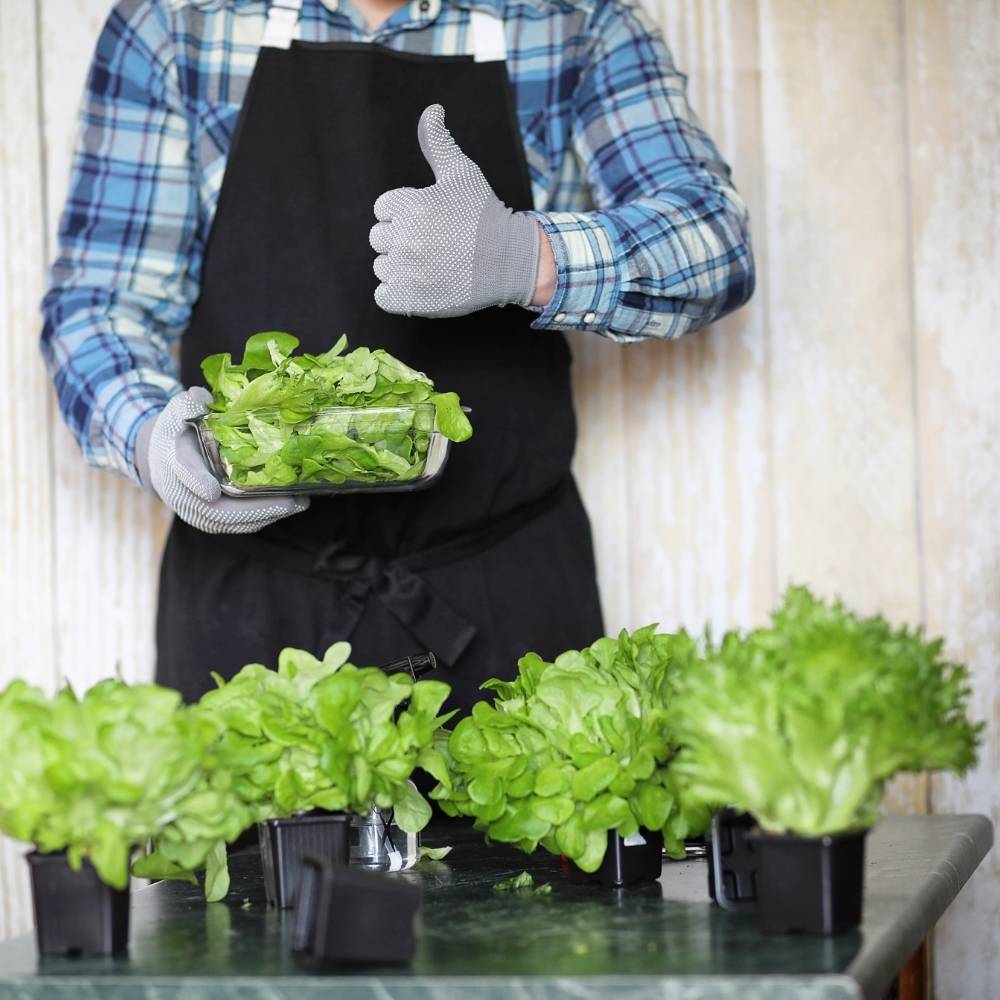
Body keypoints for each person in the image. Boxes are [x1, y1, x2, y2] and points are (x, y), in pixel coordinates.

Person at [40, 0, 755, 710]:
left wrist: (525, 257)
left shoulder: (573, 22)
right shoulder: (176, 23)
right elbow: (99, 303)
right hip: (252, 608)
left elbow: (715, 241)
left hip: (506, 591)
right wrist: (150, 440)